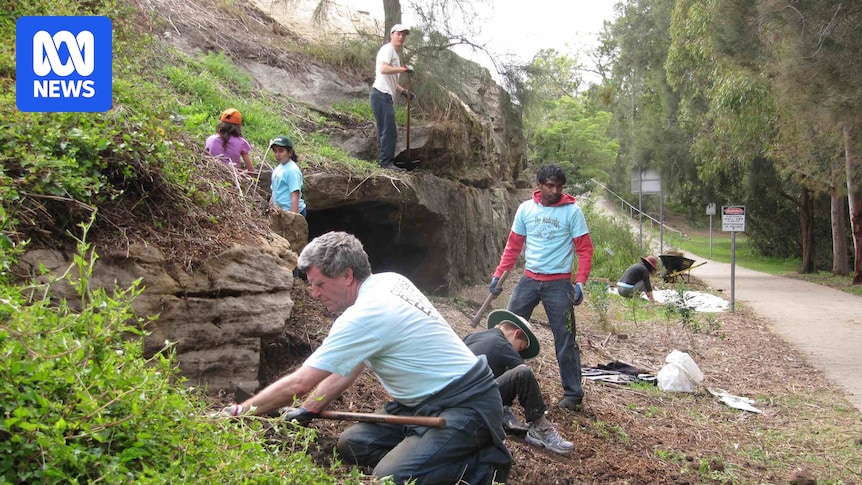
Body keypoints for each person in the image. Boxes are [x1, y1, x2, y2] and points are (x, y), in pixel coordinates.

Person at [218, 231, 512, 484]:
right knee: (353, 444)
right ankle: (427, 451)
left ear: (347, 275)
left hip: (466, 406)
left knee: (389, 478)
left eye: (319, 284)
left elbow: (299, 382)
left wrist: (238, 412)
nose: (314, 293)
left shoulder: (366, 314)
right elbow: (351, 365)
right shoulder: (389, 281)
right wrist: (308, 410)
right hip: (418, 406)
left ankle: (482, 468)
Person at [488, 164, 594, 412]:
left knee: (565, 339)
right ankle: (496, 385)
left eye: (559, 186)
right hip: (529, 280)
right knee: (506, 330)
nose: (555, 190)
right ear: (539, 185)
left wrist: (580, 282)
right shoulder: (526, 209)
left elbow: (585, 250)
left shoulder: (572, 212)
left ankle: (573, 394)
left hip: (558, 283)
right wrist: (498, 275)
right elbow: (513, 247)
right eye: (550, 185)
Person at [463, 309, 575, 455]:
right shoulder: (502, 344)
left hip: (456, 395)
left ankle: (503, 412)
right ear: (516, 334)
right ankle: (541, 429)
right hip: (474, 402)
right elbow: (522, 375)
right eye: (520, 347)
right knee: (522, 372)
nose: (518, 352)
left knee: (502, 368)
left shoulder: (471, 337)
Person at [370, 24, 414, 172]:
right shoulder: (388, 49)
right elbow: (383, 69)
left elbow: (391, 80)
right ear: (392, 35)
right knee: (389, 130)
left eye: (404, 35)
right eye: (398, 34)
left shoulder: (395, 53)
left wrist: (403, 91)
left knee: (387, 129)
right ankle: (386, 163)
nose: (401, 37)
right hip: (380, 94)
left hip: (384, 94)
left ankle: (386, 161)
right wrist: (403, 69)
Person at [205, 108, 254, 172]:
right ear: (239, 126)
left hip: (213, 173)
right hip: (233, 177)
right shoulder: (242, 143)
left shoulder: (210, 140)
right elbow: (251, 170)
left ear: (221, 124)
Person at [269, 135, 306, 217]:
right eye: (275, 151)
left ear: (290, 152)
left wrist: (294, 218)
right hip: (280, 212)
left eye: (281, 151)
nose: (277, 154)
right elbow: (274, 191)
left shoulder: (292, 171)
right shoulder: (278, 169)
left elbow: (295, 197)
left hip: (292, 211)